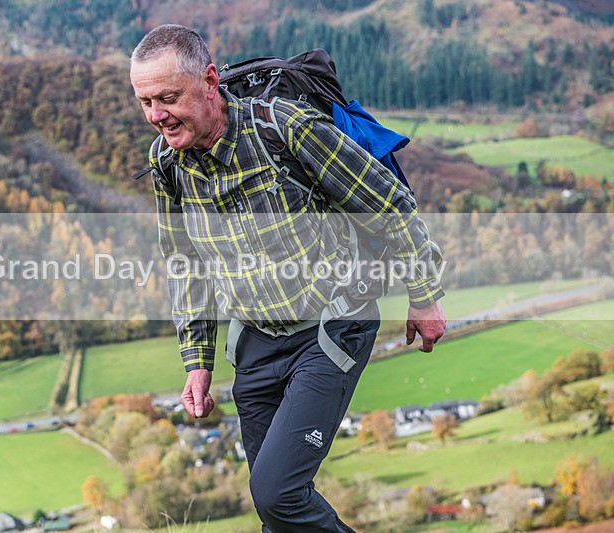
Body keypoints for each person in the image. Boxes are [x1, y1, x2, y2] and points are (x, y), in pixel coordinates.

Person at [129, 24, 446, 533]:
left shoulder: (285, 129)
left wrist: (424, 295)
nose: (156, 115)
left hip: (330, 327)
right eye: (145, 102)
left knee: (277, 493)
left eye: (168, 98)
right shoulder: (166, 161)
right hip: (256, 342)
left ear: (209, 82)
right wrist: (197, 361)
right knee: (275, 513)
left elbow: (387, 203)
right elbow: (184, 262)